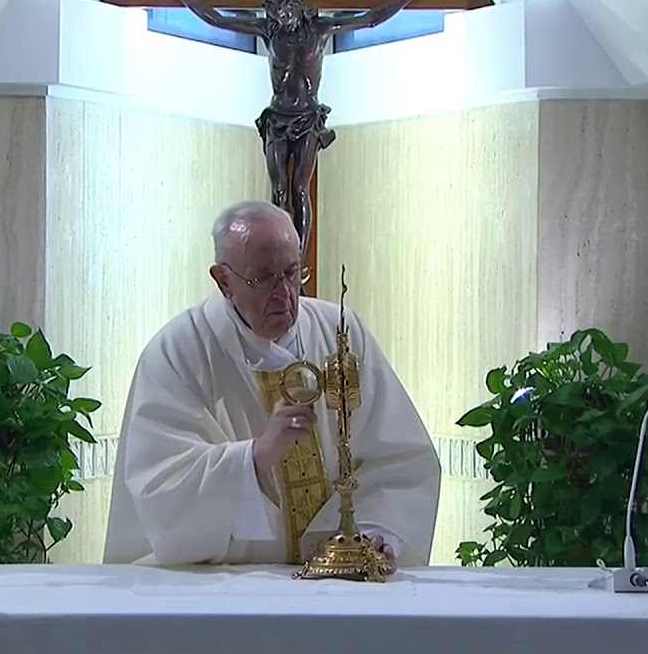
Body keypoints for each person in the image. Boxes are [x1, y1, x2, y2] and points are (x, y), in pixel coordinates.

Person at [104, 201, 441, 568]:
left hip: (339, 583)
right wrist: (256, 456)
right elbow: (161, 488)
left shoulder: (342, 333)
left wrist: (378, 529)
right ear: (224, 281)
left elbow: (401, 461)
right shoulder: (178, 352)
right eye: (263, 279)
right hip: (226, 584)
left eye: (292, 273)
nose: (285, 293)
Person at [151, 0, 440, 265]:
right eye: (276, 14)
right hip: (277, 118)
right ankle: (278, 255)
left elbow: (371, 19)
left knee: (300, 188)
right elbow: (217, 20)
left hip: (307, 118)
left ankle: (296, 261)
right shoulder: (270, 31)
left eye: (286, 11)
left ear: (296, 5)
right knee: (278, 191)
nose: (282, 18)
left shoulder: (320, 29)